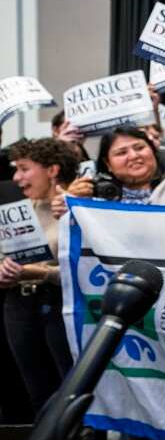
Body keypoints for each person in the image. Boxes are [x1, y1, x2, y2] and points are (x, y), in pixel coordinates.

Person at [0, 138, 78, 413]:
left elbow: (82, 270)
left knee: (68, 391)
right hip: (18, 307)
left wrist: (42, 274)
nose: (16, 177)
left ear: (52, 170)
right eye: (15, 169)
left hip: (59, 306)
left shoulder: (75, 207)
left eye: (23, 168)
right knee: (37, 393)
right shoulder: (17, 212)